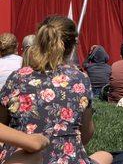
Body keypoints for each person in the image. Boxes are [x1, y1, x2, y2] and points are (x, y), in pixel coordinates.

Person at [0, 15, 112, 164]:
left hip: (22, 156)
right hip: (69, 158)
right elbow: (86, 134)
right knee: (105, 156)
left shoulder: (16, 77)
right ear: (73, 46)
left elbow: (2, 121)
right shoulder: (80, 78)